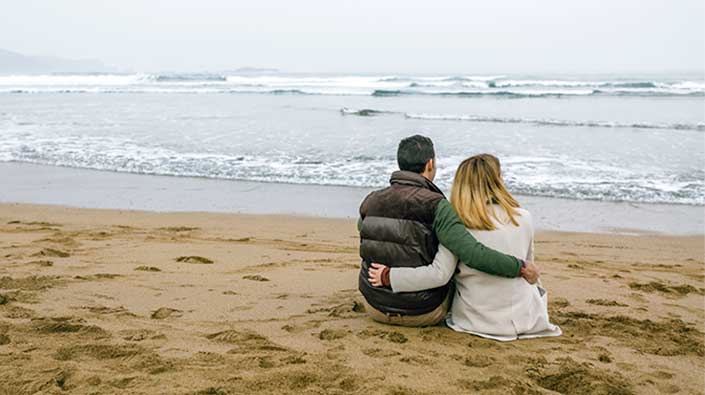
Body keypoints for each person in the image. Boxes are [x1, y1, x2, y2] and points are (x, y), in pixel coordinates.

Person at [368, 154, 561, 341]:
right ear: (498, 180)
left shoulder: (458, 223)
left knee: (450, 273)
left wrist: (389, 276)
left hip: (476, 321)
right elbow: (531, 271)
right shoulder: (523, 217)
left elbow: (439, 274)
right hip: (526, 318)